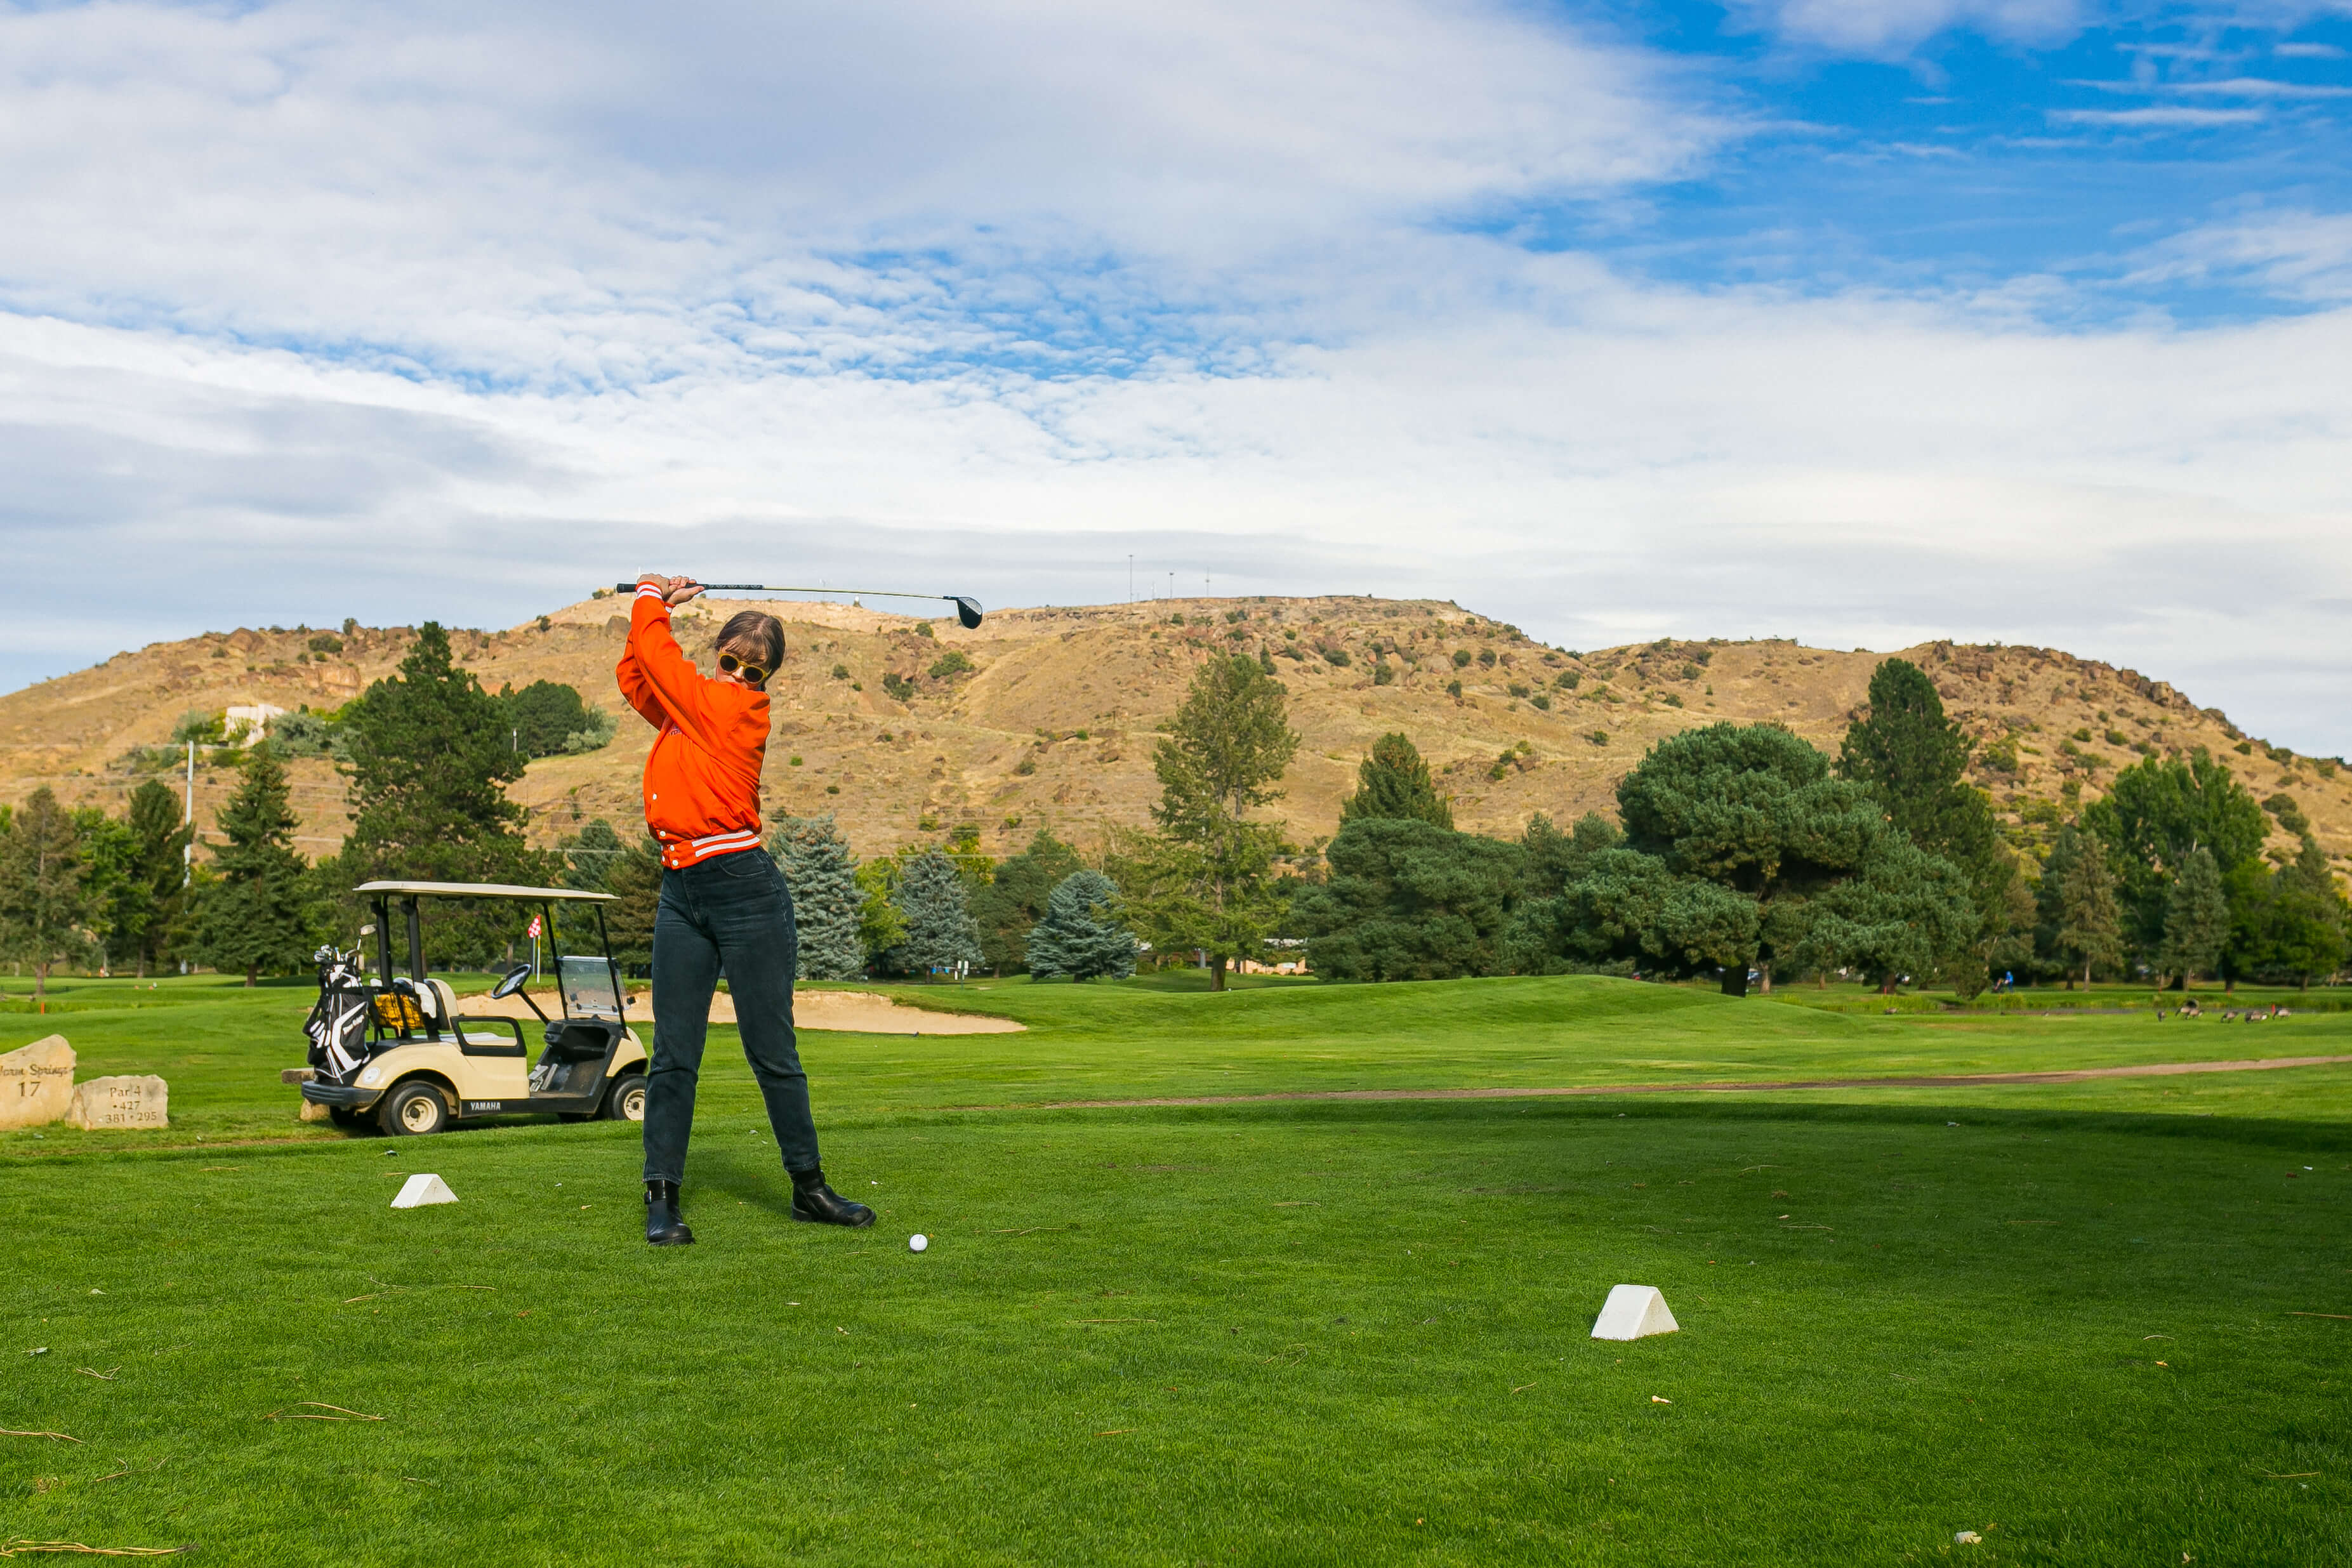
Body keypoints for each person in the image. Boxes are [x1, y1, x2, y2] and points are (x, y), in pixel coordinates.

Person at [618, 573, 874, 1245]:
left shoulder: (731, 711)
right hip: (681, 890)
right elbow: (638, 674)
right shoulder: (691, 707)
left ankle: (809, 1188)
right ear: (717, 658)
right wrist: (651, 617)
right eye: (727, 662)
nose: (736, 676)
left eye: (751, 670)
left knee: (772, 1050)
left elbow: (659, 658)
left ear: (765, 680)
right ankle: (662, 1197)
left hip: (744, 890)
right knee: (673, 1053)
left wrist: (650, 594)